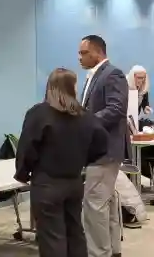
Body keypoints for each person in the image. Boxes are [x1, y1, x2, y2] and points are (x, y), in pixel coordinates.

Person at [15, 68, 108, 257]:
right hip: (74, 182)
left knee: (52, 237)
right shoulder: (85, 116)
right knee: (75, 232)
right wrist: (82, 160)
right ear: (73, 88)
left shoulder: (39, 114)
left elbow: (26, 147)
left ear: (50, 87)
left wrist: (23, 173)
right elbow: (102, 145)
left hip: (46, 183)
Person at [79, 35, 129, 257]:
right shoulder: (95, 76)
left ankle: (99, 253)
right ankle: (112, 251)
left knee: (94, 208)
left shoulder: (112, 74)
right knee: (104, 205)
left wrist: (84, 122)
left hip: (105, 153)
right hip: (98, 153)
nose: (80, 57)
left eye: (84, 53)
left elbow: (116, 109)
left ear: (98, 52)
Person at [127, 65, 154, 182]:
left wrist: (146, 108)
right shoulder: (125, 87)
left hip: (135, 120)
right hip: (126, 120)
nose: (141, 80)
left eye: (143, 78)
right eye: (139, 78)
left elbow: (145, 105)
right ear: (133, 77)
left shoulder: (143, 89)